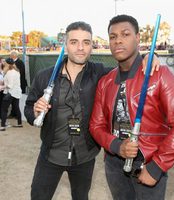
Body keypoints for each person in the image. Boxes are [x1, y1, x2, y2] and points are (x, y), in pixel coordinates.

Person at [24, 21, 160, 200]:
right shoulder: (45, 76)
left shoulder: (100, 73)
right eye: (74, 42)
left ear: (92, 46)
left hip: (85, 156)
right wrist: (34, 111)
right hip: (50, 155)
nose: (80, 48)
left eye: (86, 42)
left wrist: (149, 56)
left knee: (81, 196)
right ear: (65, 45)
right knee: (38, 196)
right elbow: (28, 108)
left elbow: (127, 67)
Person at [89, 14, 174, 200]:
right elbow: (96, 126)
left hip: (148, 163)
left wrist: (157, 167)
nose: (118, 40)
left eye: (125, 34)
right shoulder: (105, 82)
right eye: (113, 37)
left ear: (137, 38)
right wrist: (116, 146)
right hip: (114, 164)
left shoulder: (160, 74)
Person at [0, 58, 22, 131]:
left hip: (10, 93)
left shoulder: (9, 73)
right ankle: (19, 123)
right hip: (17, 92)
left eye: (5, 63)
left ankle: (2, 126)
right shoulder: (16, 71)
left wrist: (2, 87)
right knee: (16, 108)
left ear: (7, 64)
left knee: (4, 109)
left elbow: (10, 85)